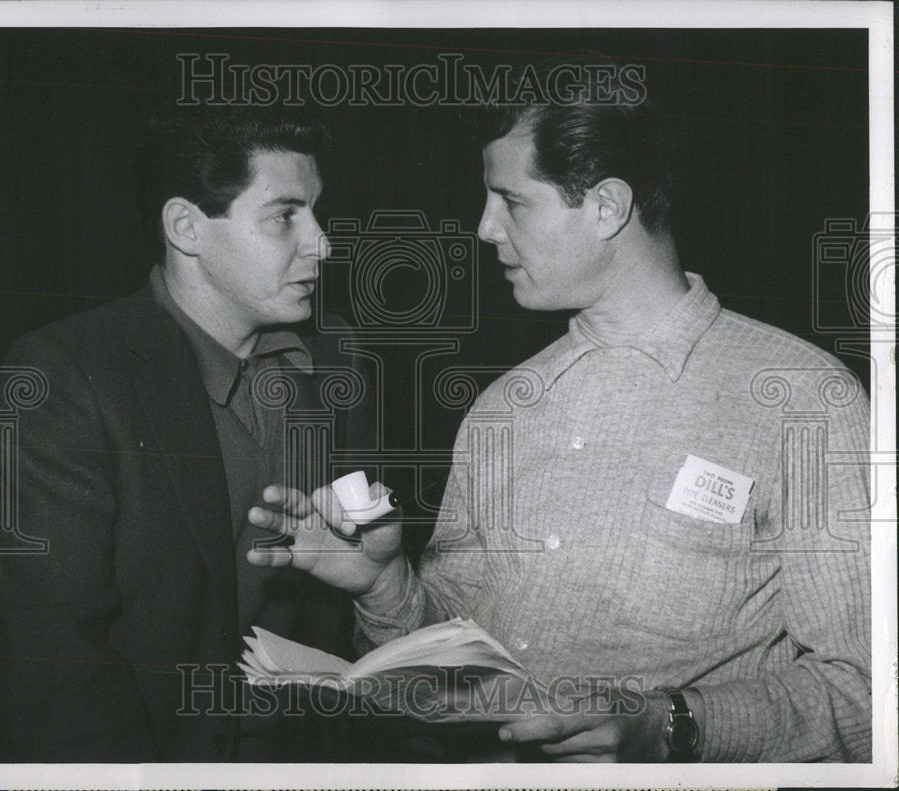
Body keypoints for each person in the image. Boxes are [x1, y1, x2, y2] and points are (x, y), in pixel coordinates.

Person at [246, 60, 871, 762]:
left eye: (511, 201)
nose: (483, 228)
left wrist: (674, 725)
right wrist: (383, 584)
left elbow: (866, 692)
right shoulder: (500, 412)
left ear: (606, 206)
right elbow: (447, 678)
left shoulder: (806, 399)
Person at [0, 103, 374, 761]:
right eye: (284, 217)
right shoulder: (63, 375)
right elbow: (52, 657)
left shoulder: (336, 360)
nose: (322, 243)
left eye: (317, 213)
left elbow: (347, 598)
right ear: (186, 226)